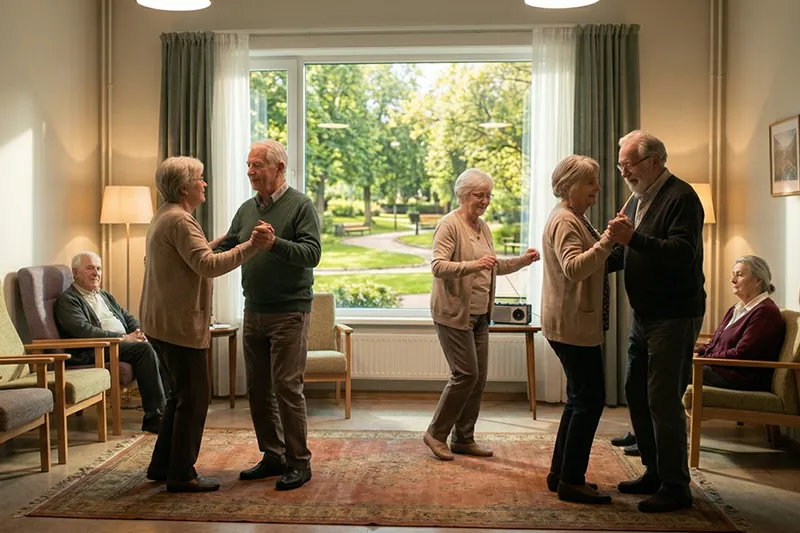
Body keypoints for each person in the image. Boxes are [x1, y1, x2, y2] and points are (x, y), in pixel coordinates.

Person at [140, 156, 269, 493]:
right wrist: (250, 245)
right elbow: (207, 266)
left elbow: (192, 257)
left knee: (178, 398)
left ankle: (163, 465)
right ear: (185, 187)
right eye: (200, 178)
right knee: (194, 399)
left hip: (160, 322)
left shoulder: (165, 216)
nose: (204, 183)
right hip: (177, 325)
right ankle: (181, 475)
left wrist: (225, 240)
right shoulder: (181, 221)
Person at [606, 130, 706, 513]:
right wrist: (593, 262)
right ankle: (653, 470)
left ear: (655, 161)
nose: (624, 172)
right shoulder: (638, 198)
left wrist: (631, 240)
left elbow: (682, 253)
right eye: (621, 166)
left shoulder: (682, 197)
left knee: (663, 401)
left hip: (674, 315)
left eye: (628, 165)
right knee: (635, 390)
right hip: (644, 315)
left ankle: (676, 486)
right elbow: (628, 253)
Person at [216, 140, 322, 491]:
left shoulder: (301, 205)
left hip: (290, 313)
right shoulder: (247, 209)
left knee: (287, 388)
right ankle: (273, 456)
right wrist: (190, 250)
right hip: (254, 311)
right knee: (259, 390)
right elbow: (230, 242)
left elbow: (312, 254)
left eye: (257, 165)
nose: (250, 171)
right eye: (248, 165)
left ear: (279, 169)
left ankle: (299, 462)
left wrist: (275, 243)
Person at [424, 168, 540, 461]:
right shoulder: (449, 225)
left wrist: (522, 262)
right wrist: (472, 265)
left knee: (478, 377)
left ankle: (464, 438)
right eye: (479, 195)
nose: (485, 200)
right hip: (452, 313)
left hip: (479, 315)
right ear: (463, 195)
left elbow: (492, 265)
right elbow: (438, 267)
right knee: (465, 374)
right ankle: (436, 434)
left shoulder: (483, 227)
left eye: (488, 195)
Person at [541, 155, 613, 504]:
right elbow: (573, 268)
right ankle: (571, 479)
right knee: (590, 400)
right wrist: (608, 241)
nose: (597, 189)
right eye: (591, 183)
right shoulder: (566, 222)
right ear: (570, 186)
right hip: (572, 325)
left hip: (570, 323)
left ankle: (560, 474)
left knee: (578, 400)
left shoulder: (572, 218)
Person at [55, 251, 167, 434]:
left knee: (158, 343)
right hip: (95, 350)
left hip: (120, 345)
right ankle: (154, 417)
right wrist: (123, 338)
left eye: (98, 268)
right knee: (144, 350)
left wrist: (140, 332)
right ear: (75, 273)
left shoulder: (104, 295)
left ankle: (170, 409)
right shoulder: (68, 300)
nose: (96, 273)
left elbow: (127, 317)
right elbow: (85, 331)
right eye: (90, 268)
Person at [696, 256, 785, 391]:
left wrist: (703, 359)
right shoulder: (736, 308)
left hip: (741, 377)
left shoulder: (765, 312)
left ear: (758, 280)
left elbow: (741, 353)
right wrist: (695, 351)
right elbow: (714, 342)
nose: (732, 280)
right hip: (721, 368)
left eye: (739, 275)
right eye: (733, 275)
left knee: (674, 370)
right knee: (672, 364)